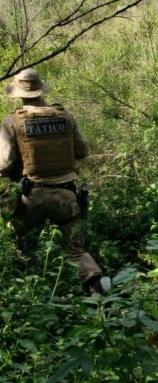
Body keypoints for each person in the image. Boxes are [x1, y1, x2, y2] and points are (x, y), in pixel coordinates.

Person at [0, 68, 105, 295]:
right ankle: (98, 294)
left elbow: (4, 164)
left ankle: (29, 290)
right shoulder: (64, 116)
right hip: (66, 196)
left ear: (18, 94)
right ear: (41, 89)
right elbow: (82, 152)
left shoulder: (11, 122)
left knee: (15, 239)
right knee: (76, 252)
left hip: (31, 197)